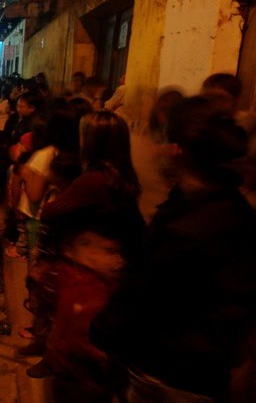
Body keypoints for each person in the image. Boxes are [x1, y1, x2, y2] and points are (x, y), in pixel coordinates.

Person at [92, 96, 256, 403]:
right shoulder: (230, 205)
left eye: (165, 139)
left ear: (177, 149)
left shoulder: (188, 228)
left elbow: (143, 300)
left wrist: (102, 332)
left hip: (170, 372)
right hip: (207, 368)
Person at [31, 110, 146, 401]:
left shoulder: (93, 180)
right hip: (108, 271)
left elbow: (50, 212)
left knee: (77, 349)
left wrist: (57, 190)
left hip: (87, 275)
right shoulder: (122, 175)